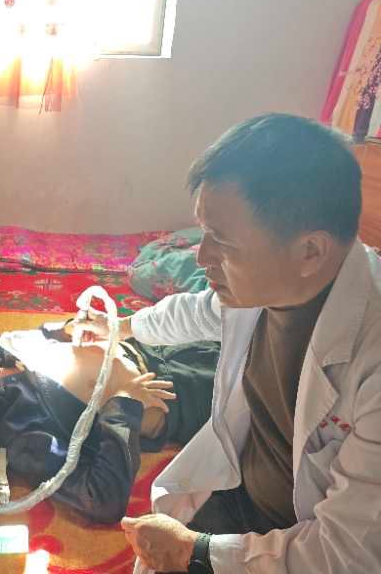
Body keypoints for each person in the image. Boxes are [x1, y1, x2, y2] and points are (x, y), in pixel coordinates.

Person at [75, 114, 381, 573]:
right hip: (242, 495)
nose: (201, 257)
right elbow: (197, 311)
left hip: (308, 543)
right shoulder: (265, 287)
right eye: (203, 233)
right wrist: (122, 327)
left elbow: (346, 553)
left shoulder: (371, 360)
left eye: (221, 241)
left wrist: (193, 551)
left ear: (310, 251)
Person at [0, 326, 219, 524]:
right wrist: (124, 402)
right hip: (186, 390)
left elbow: (46, 333)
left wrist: (69, 328)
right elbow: (101, 498)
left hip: (166, 343)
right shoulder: (22, 432)